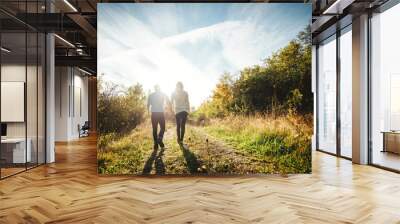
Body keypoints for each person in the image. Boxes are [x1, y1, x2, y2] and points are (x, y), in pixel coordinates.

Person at [147, 85, 168, 149]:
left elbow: (148, 105)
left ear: (154, 88)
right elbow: (166, 101)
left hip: (153, 114)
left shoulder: (151, 95)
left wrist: (148, 112)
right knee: (163, 128)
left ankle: (156, 144)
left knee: (154, 129)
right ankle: (160, 138)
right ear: (159, 88)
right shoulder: (162, 94)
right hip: (160, 113)